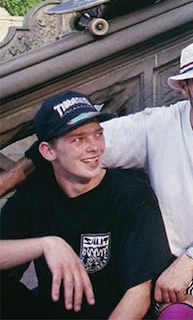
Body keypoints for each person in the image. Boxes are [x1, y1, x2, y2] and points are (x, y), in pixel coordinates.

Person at [0, 40, 193, 319]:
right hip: (182, 270)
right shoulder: (156, 126)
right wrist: (7, 182)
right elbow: (68, 145)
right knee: (175, 312)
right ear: (184, 88)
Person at [0, 91, 172, 319]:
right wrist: (46, 245)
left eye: (98, 135)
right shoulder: (36, 194)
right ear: (48, 151)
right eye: (78, 139)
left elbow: (139, 292)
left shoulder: (132, 195)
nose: (94, 147)